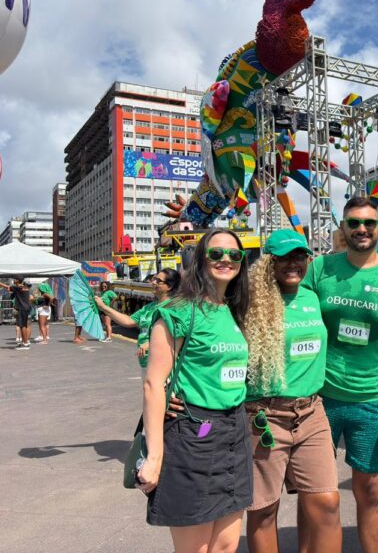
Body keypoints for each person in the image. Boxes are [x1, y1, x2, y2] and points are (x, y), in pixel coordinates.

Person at [302, 196, 378, 553]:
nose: (361, 229)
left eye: (368, 223)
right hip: (318, 400)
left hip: (373, 401)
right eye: (353, 223)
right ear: (343, 227)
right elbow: (295, 322)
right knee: (315, 493)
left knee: (369, 492)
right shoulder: (320, 269)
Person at [136, 228, 252, 553]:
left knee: (227, 546)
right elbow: (153, 383)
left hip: (235, 432)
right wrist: (155, 456)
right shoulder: (179, 311)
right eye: (216, 253)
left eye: (234, 254)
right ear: (201, 259)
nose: (225, 259)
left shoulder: (234, 309)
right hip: (193, 435)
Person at [243, 229, 341, 553]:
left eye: (299, 256)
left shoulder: (312, 297)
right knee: (263, 510)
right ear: (268, 262)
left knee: (327, 503)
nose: (292, 263)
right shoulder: (248, 301)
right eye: (283, 257)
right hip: (265, 417)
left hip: (312, 414)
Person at [95, 268, 181, 377]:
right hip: (146, 363)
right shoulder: (149, 307)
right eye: (154, 279)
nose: (153, 282)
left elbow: (178, 335)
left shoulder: (175, 308)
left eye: (158, 281)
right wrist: (103, 307)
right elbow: (129, 321)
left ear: (170, 286)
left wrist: (151, 343)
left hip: (165, 366)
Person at [0, 278, 32, 350]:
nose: (14, 280)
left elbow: (6, 287)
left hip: (22, 309)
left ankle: (25, 344)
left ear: (18, 280)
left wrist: (0, 284)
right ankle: (25, 342)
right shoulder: (23, 287)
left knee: (23, 326)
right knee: (22, 326)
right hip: (24, 308)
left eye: (15, 279)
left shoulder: (17, 287)